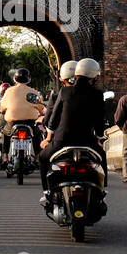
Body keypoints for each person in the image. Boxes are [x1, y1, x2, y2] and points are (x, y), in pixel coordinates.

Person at [39, 58, 108, 206]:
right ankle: (103, 191)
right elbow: (99, 121)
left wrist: (49, 138)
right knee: (101, 157)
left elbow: (53, 119)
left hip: (62, 141)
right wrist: (99, 138)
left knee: (43, 158)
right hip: (87, 142)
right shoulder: (97, 95)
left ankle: (46, 192)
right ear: (95, 76)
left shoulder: (65, 91)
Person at [0, 67, 46, 153]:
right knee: (37, 135)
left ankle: (5, 157)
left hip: (12, 122)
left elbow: (2, 108)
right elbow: (40, 108)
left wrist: (3, 111)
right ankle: (37, 157)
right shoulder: (33, 92)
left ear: (15, 79)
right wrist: (41, 112)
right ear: (28, 79)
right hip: (29, 122)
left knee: (5, 133)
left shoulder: (9, 91)